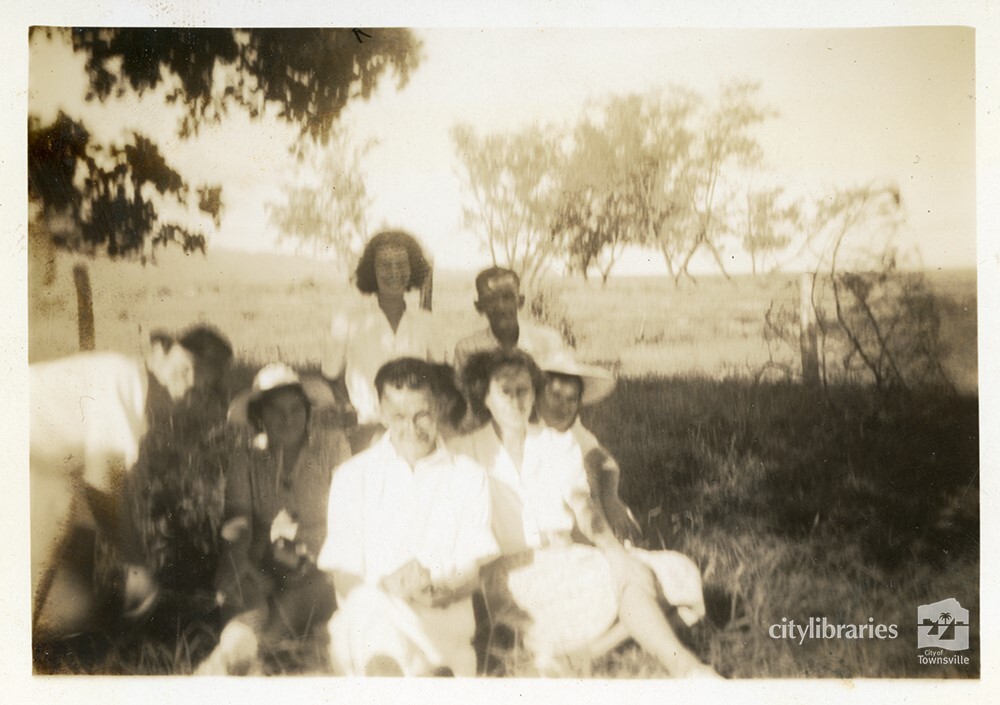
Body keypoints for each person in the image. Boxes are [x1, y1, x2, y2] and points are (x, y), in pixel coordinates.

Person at [450, 349, 717, 677]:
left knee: (673, 569)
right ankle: (685, 666)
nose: (517, 400)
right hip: (508, 572)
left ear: (534, 393)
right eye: (506, 391)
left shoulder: (557, 443)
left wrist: (616, 553)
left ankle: (589, 654)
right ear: (485, 396)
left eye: (524, 390)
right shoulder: (464, 452)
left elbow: (584, 506)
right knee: (627, 582)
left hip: (566, 557)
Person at [30, 325, 233, 642]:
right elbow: (100, 486)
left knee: (72, 611)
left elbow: (94, 497)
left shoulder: (139, 410)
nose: (189, 382)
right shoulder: (124, 378)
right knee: (60, 504)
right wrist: (136, 563)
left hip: (32, 466)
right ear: (159, 353)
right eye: (184, 369)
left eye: (201, 381)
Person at [318, 358, 499, 677]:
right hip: (370, 620)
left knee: (394, 645)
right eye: (399, 416)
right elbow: (344, 579)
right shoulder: (352, 476)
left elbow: (471, 572)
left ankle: (408, 676)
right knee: (373, 623)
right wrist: (388, 585)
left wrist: (443, 590)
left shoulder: (469, 476)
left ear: (440, 407)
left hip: (440, 623)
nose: (412, 429)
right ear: (381, 411)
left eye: (422, 415)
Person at [195, 363, 350, 675]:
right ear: (259, 417)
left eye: (296, 409)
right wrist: (238, 562)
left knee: (284, 612)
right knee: (246, 603)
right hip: (265, 562)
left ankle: (240, 665)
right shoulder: (246, 459)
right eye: (276, 412)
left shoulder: (332, 446)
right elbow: (238, 520)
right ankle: (229, 660)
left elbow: (348, 517)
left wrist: (304, 547)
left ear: (308, 411)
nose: (287, 419)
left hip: (321, 565)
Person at [321, 230, 443, 453]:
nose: (394, 272)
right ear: (372, 270)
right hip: (366, 430)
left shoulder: (426, 322)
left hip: (416, 431)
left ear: (412, 269)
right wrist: (349, 412)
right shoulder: (348, 319)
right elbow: (330, 375)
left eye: (401, 264)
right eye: (385, 265)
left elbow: (440, 377)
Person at [535, 349, 642, 543]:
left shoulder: (571, 431)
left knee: (590, 473)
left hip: (580, 514)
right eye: (556, 396)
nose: (563, 407)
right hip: (541, 526)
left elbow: (606, 462)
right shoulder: (525, 430)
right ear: (538, 394)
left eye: (571, 399)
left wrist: (611, 499)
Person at [451, 267, 565, 386]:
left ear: (520, 301)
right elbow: (464, 393)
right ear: (479, 306)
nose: (500, 307)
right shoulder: (468, 349)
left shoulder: (548, 342)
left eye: (507, 297)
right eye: (490, 299)